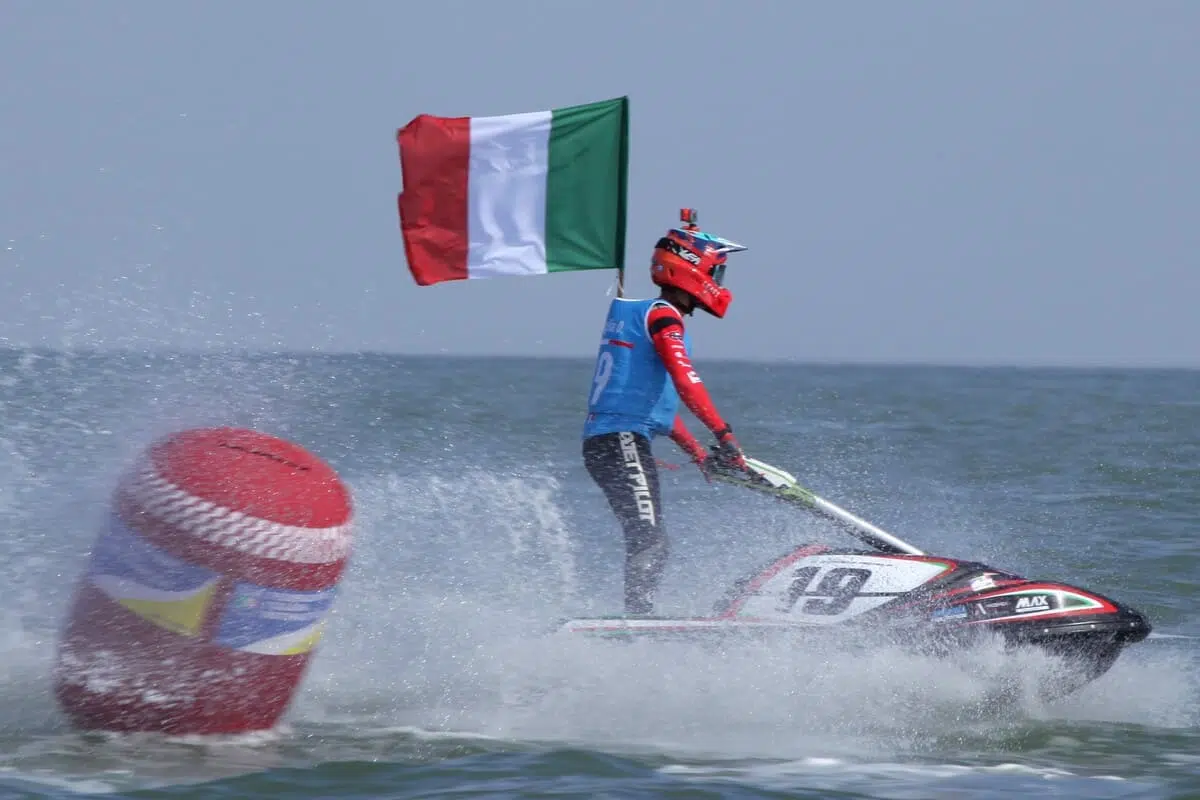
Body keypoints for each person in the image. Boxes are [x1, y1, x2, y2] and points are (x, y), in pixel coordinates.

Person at [581, 208, 750, 616]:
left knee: (649, 538)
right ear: (693, 270)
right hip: (621, 441)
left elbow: (654, 406)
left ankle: (636, 617)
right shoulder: (662, 317)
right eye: (716, 272)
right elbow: (686, 380)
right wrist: (724, 435)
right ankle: (636, 622)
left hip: (610, 441)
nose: (719, 283)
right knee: (650, 540)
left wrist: (698, 452)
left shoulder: (639, 316)